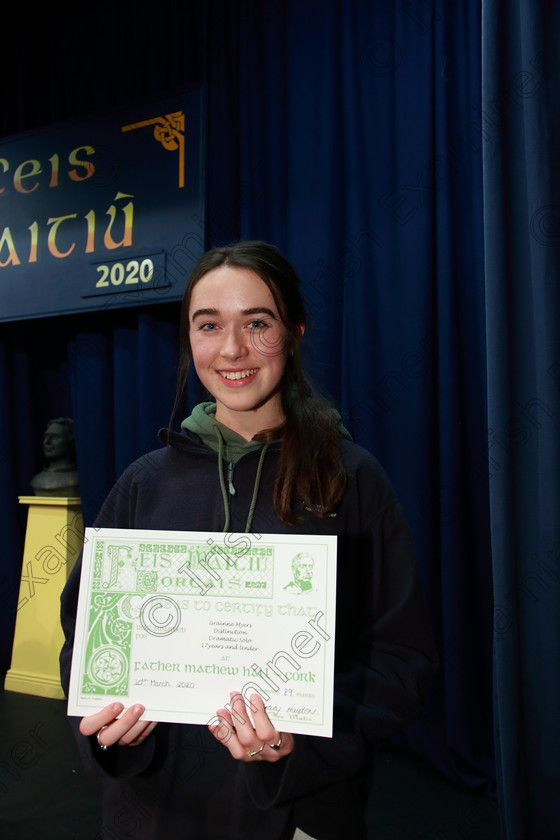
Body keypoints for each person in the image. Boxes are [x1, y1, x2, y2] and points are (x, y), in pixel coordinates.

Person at [60, 241, 438, 840]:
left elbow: (401, 660)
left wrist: (303, 743)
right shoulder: (144, 481)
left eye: (257, 324)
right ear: (189, 340)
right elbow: (84, 639)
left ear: (294, 332)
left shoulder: (350, 477)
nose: (232, 349)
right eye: (209, 325)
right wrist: (105, 728)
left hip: (298, 812)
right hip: (154, 813)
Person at [30, 416, 80, 497]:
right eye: (46, 436)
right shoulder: (38, 480)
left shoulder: (77, 479)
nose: (47, 442)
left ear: (71, 441)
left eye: (55, 437)